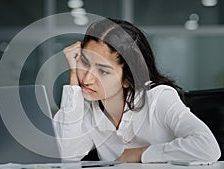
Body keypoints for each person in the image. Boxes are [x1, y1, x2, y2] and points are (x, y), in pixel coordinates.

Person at [53, 18, 221, 163]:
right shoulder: (91, 109)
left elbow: (208, 148)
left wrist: (141, 153)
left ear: (127, 78)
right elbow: (65, 155)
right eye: (85, 62)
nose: (87, 79)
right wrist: (74, 78)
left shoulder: (158, 98)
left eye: (103, 71)